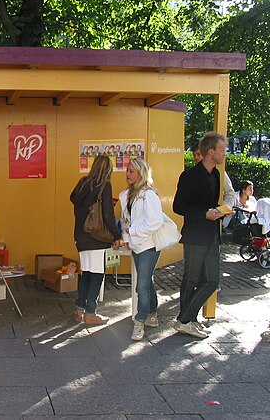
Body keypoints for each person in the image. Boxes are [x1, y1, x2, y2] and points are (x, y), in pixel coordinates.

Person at [173, 132, 229, 339]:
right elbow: (178, 206)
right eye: (222, 150)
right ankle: (187, 321)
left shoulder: (216, 175)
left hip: (212, 235)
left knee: (211, 281)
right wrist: (204, 214)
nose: (225, 154)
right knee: (191, 279)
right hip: (195, 236)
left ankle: (185, 319)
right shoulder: (189, 176)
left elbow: (210, 203)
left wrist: (220, 211)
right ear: (210, 152)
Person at [70, 155, 122, 325]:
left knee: (86, 274)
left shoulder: (83, 182)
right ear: (108, 169)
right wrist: (116, 235)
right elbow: (107, 214)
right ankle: (91, 313)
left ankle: (79, 310)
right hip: (96, 237)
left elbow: (74, 199)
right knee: (97, 275)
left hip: (81, 236)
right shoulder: (104, 185)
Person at [119, 159, 164, 341]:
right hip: (137, 244)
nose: (128, 174)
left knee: (141, 285)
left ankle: (140, 321)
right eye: (127, 170)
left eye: (131, 171)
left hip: (149, 245)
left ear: (141, 173)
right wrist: (127, 238)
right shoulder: (128, 194)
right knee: (146, 282)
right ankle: (152, 312)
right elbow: (126, 220)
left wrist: (134, 232)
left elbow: (155, 222)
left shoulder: (149, 195)